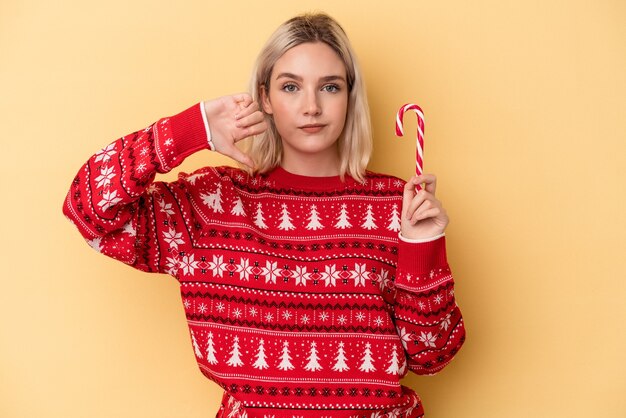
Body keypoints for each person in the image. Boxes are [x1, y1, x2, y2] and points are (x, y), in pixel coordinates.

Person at [63, 12, 465, 418]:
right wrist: (191, 129)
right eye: (291, 86)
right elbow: (88, 207)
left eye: (330, 87)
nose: (312, 107)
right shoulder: (212, 203)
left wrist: (421, 248)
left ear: (350, 96)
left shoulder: (398, 204)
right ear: (265, 98)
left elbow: (432, 356)